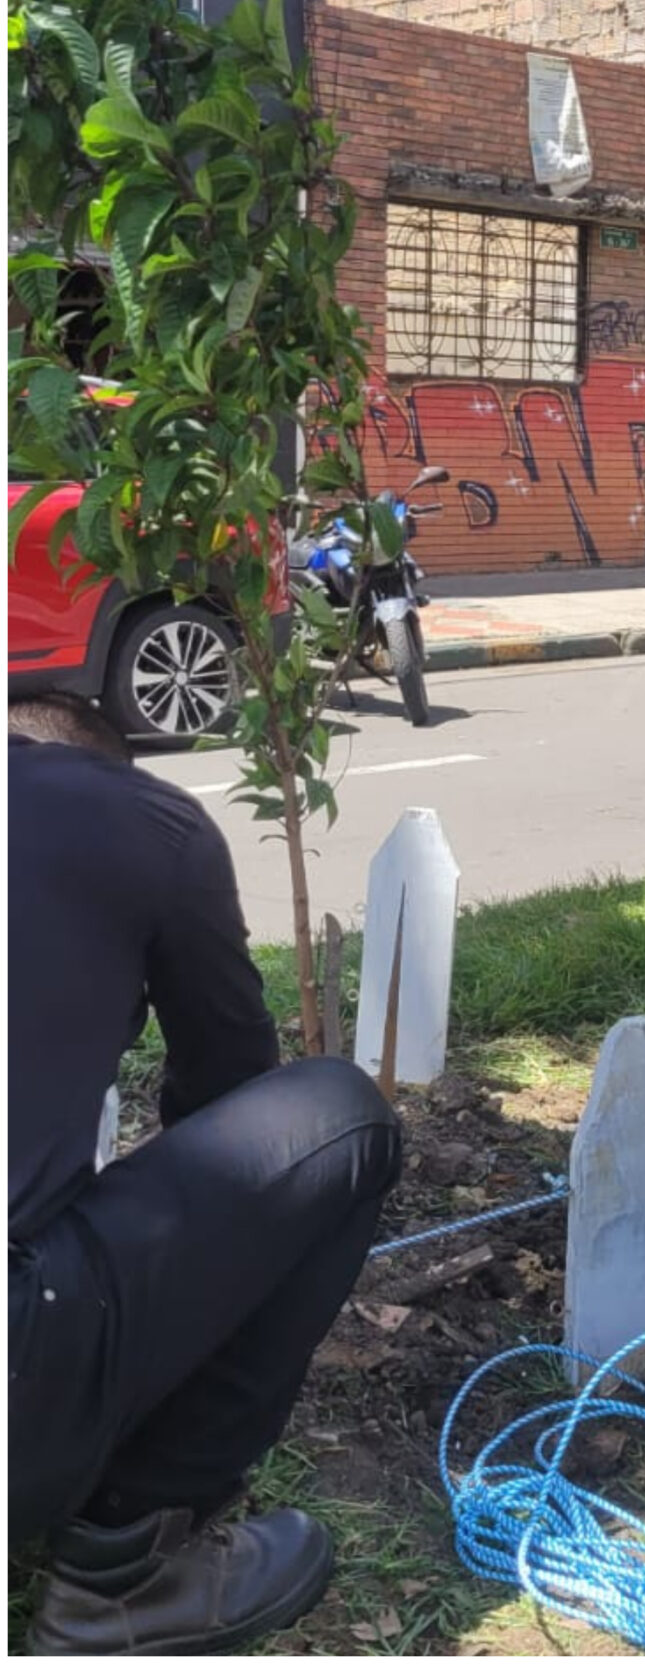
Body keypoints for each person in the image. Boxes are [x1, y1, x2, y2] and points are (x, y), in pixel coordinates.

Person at [8, 694, 403, 1656]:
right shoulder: (140, 818)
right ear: (103, 760)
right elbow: (230, 1094)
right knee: (338, 1118)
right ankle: (125, 1567)